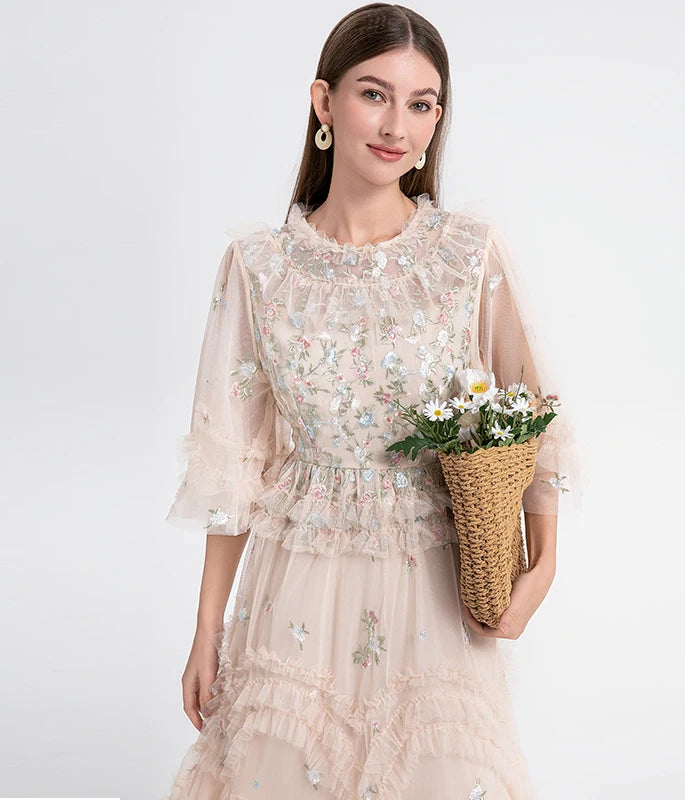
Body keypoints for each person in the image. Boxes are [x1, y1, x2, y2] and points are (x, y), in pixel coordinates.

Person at [163, 4, 583, 798]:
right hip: (297, 586)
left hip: (436, 586)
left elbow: (535, 420)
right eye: (374, 95)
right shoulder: (258, 268)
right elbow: (233, 466)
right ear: (324, 102)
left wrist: (545, 561)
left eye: (422, 104)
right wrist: (205, 628)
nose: (398, 126)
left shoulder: (467, 256)